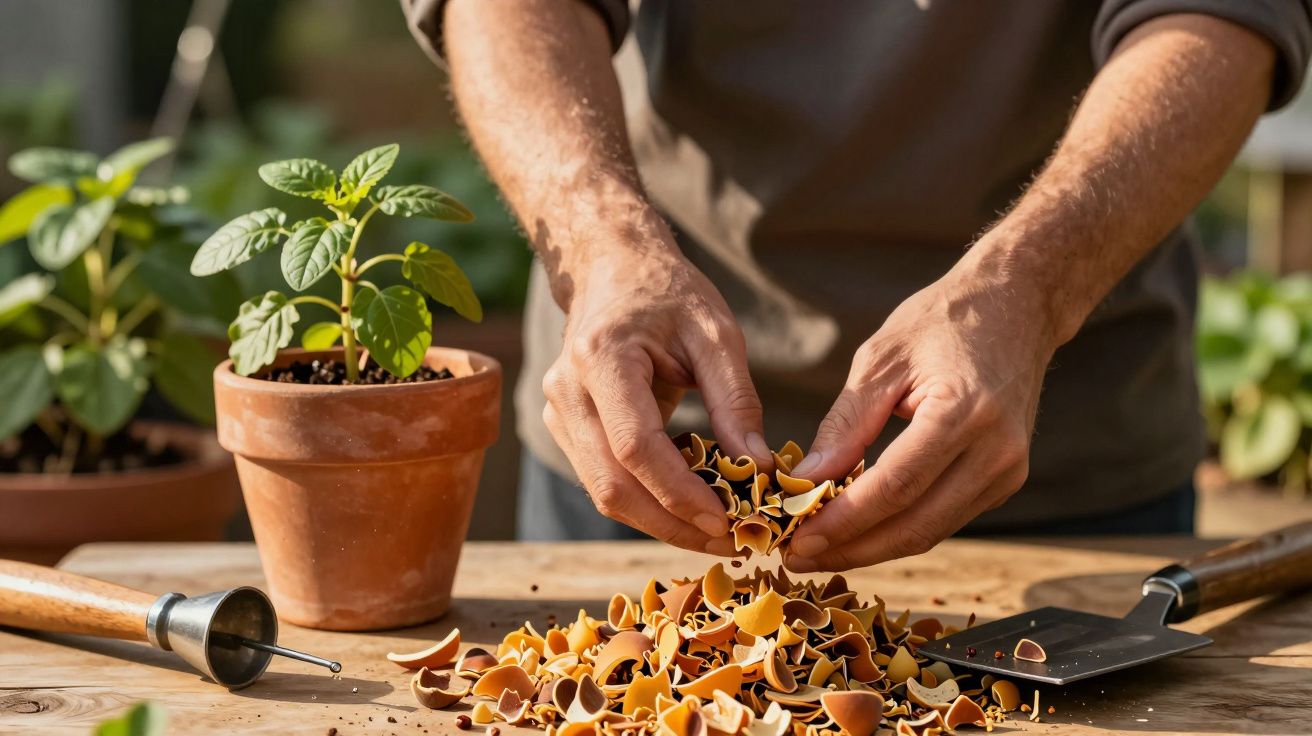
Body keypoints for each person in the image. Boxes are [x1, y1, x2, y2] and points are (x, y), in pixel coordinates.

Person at [404, 1, 1311, 571]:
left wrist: (1030, 289)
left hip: (1068, 465)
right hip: (644, 450)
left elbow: (1220, 14)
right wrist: (601, 238)